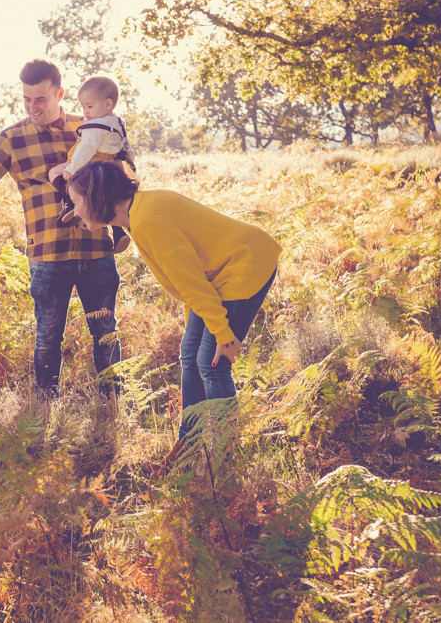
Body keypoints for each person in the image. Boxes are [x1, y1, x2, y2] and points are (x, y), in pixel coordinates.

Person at [66, 160, 281, 462]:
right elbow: (189, 278)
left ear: (95, 196)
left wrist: (223, 333)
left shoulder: (148, 220)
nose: (75, 211)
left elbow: (191, 281)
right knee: (190, 354)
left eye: (76, 202)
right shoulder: (138, 214)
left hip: (245, 263)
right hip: (219, 272)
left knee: (213, 361)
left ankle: (226, 455)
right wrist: (198, 329)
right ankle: (189, 444)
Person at [0, 59, 123, 397]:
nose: (32, 106)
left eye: (40, 99)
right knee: (48, 336)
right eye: (26, 99)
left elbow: (122, 164)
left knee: (106, 332)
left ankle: (113, 403)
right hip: (47, 254)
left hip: (96, 248)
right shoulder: (13, 138)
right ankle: (42, 407)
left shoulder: (89, 127)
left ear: (60, 94)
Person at [47, 76, 134, 253]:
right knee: (109, 199)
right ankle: (119, 232)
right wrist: (131, 165)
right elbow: (127, 145)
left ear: (108, 104)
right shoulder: (117, 122)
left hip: (91, 163)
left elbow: (86, 148)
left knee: (55, 172)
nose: (85, 111)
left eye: (90, 106)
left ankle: (72, 201)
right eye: (83, 106)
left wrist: (72, 168)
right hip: (111, 164)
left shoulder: (96, 126)